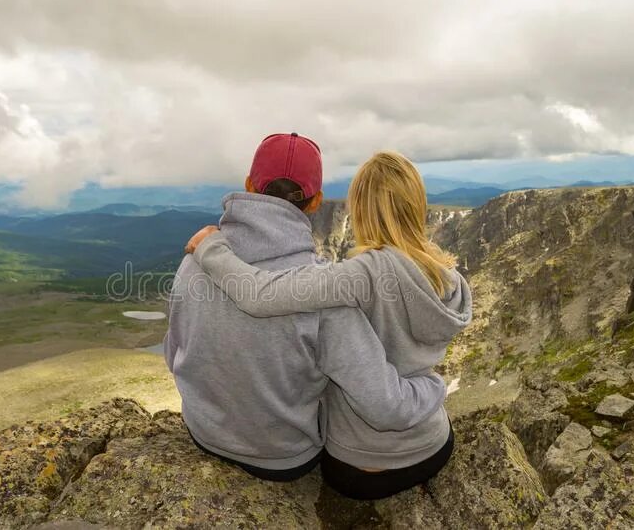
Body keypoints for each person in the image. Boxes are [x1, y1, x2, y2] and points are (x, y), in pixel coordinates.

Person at [185, 150, 472, 499]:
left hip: (361, 463)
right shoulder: (451, 278)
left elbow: (260, 295)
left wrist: (212, 249)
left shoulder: (362, 274)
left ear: (359, 207)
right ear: (417, 204)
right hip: (434, 441)